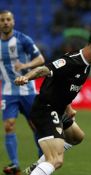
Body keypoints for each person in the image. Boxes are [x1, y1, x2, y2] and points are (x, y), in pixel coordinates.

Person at [14, 27, 91, 175]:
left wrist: (69, 108)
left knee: (77, 136)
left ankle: (36, 167)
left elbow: (63, 86)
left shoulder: (86, 63)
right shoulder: (71, 61)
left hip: (59, 109)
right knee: (56, 160)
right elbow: (45, 69)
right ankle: (43, 165)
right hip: (46, 110)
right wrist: (27, 77)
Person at [0, 10, 45, 175]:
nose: (5, 22)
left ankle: (42, 162)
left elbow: (40, 60)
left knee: (36, 127)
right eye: (2, 20)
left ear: (13, 22)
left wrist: (25, 67)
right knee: (8, 125)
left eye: (8, 19)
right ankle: (15, 165)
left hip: (28, 91)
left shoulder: (23, 39)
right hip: (8, 91)